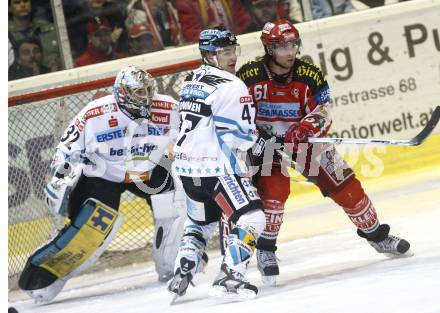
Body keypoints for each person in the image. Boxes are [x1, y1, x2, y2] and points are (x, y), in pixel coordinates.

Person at [236, 19, 412, 286]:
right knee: (275, 191)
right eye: (283, 46)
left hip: (303, 141)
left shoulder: (310, 74)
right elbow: (237, 115)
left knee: (345, 185)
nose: (290, 50)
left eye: (293, 44)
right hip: (265, 144)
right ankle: (266, 250)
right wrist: (257, 136)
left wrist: (306, 126)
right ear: (269, 49)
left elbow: (323, 110)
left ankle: (377, 236)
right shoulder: (249, 75)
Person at [18, 66, 186, 303]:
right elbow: (67, 150)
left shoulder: (168, 107)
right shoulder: (95, 113)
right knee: (93, 227)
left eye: (148, 91)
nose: (146, 98)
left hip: (145, 170)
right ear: (123, 93)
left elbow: (189, 135)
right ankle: (43, 279)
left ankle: (173, 264)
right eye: (139, 92)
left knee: (174, 201)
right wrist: (60, 178)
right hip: (103, 174)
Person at [167, 27, 266, 300]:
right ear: (209, 55)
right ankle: (231, 277)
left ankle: (183, 268)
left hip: (187, 170)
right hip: (216, 168)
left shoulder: (191, 80)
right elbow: (241, 137)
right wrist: (265, 145)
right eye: (224, 52)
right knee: (252, 216)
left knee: (201, 223)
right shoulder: (233, 86)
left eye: (233, 50)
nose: (232, 57)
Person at [8, 0, 60, 72]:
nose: (23, 5)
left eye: (26, 1)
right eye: (17, 2)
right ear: (9, 8)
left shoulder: (51, 29)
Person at [175, 0, 252, 43]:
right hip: (209, 51)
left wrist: (236, 40)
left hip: (236, 43)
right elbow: (192, 33)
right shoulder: (187, 2)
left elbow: (243, 21)